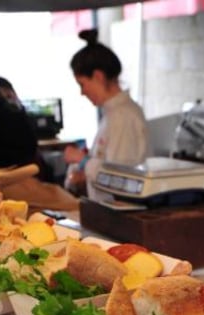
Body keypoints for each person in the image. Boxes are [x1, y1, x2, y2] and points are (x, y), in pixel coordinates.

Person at [64, 29, 148, 200]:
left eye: (82, 84)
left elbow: (119, 177)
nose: (82, 92)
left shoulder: (123, 116)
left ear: (98, 77)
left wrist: (83, 161)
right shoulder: (113, 114)